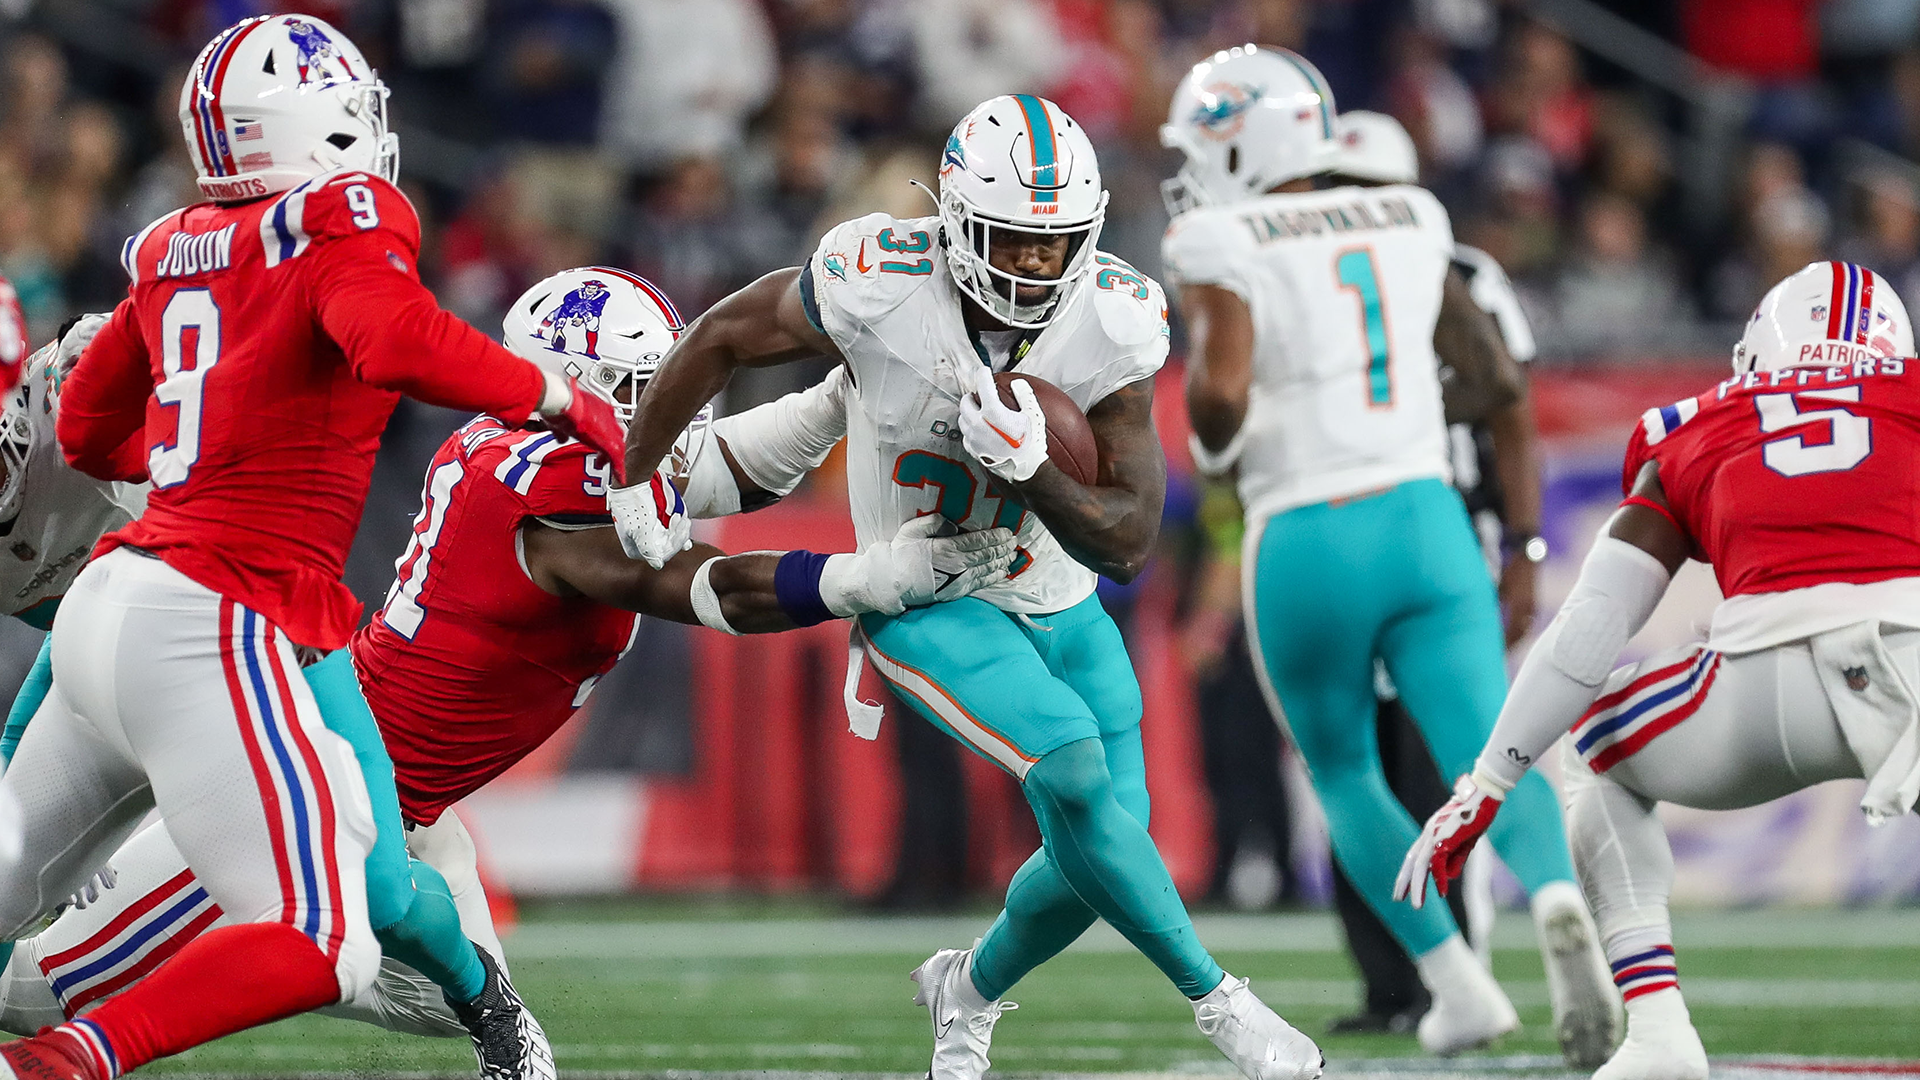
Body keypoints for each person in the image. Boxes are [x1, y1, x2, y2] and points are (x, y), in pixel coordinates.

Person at [0, 267, 1015, 1051]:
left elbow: (732, 461)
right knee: (32, 993)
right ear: (571, 389)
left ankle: (392, 959)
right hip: (307, 772)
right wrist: (875, 578)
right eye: (638, 386)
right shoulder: (538, 499)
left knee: (413, 981)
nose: (666, 403)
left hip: (403, 797)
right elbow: (699, 588)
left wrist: (849, 393)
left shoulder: (549, 452)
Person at [613, 94, 1325, 1080]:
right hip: (925, 594)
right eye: (1013, 241)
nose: (1037, 265)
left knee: (1111, 843)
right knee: (1074, 777)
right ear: (953, 219)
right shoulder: (877, 278)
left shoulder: (1113, 317)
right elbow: (726, 334)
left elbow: (1129, 541)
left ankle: (970, 991)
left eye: (1056, 243)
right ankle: (1225, 1007)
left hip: (1055, 590)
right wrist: (639, 462)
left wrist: (1034, 470)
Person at [0, 17, 636, 1078]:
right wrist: (559, 394)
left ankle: (490, 1012)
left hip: (129, 598)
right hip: (217, 612)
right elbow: (395, 338)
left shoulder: (170, 245)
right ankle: (54, 1066)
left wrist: (181, 476)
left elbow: (86, 431)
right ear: (320, 130)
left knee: (22, 875)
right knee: (323, 939)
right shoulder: (343, 213)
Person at [1159, 46, 1615, 1065]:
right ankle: (1550, 896)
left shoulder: (1217, 234)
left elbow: (1224, 395)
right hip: (1426, 516)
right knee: (1486, 754)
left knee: (1343, 771)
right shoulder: (1414, 215)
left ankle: (1455, 982)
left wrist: (1219, 445)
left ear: (1241, 143)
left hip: (1309, 527)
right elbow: (1494, 375)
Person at [1400, 260, 1920, 1080]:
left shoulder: (1698, 424)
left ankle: (1659, 1032)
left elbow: (1593, 625)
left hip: (1759, 692)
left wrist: (1487, 784)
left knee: (1600, 742)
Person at [1318, 108, 1540, 1034]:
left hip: (1443, 531)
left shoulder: (1467, 280)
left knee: (1445, 764)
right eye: (1342, 193)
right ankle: (1391, 982)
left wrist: (1522, 547)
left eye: (1372, 194)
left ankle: (1463, 973)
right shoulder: (1307, 272)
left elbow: (1509, 411)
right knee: (1348, 764)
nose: (1354, 209)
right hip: (1340, 536)